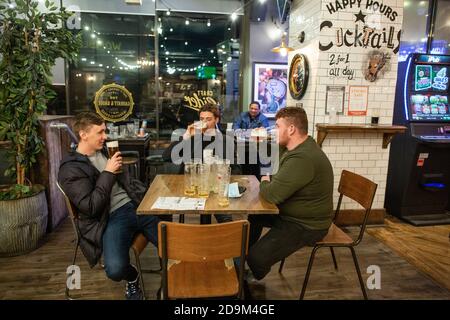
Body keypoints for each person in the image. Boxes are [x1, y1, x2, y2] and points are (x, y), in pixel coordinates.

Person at [58, 112, 159, 300]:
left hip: (136, 205)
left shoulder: (104, 151)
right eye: (100, 132)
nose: (105, 136)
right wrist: (108, 172)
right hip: (112, 217)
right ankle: (132, 277)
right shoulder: (70, 169)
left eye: (105, 131)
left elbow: (123, 183)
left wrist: (140, 192)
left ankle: (177, 282)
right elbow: (91, 206)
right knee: (115, 270)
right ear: (83, 134)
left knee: (173, 245)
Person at [246, 107, 334, 280]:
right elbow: (273, 154)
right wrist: (261, 141)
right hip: (290, 213)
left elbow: (271, 195)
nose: (274, 130)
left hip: (307, 224)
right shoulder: (294, 146)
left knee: (257, 258)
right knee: (254, 216)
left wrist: (264, 180)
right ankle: (243, 259)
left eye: (277, 126)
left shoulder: (303, 157)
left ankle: (251, 269)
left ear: (291, 129)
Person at [163, 103, 241, 224]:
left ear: (216, 120)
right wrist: (186, 136)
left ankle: (226, 240)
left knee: (226, 218)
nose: (204, 122)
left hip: (215, 187)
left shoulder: (227, 140)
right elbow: (166, 157)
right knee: (162, 212)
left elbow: (236, 169)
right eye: (201, 119)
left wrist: (222, 173)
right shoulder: (192, 138)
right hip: (192, 186)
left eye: (208, 119)